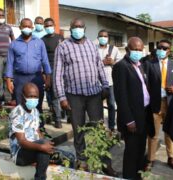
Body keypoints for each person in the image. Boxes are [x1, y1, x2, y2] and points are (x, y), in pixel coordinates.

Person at [53, 18, 110, 170]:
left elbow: (99, 66)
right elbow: (57, 74)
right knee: (78, 129)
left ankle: (103, 160)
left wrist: (105, 85)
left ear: (84, 29)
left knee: (98, 128)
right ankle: (82, 160)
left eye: (80, 26)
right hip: (74, 95)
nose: (77, 29)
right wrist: (62, 97)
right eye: (74, 26)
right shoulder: (63, 47)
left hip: (94, 94)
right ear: (70, 28)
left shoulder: (92, 45)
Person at [112, 37, 155, 179]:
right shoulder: (121, 67)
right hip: (132, 117)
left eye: (140, 49)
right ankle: (129, 176)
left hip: (143, 114)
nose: (138, 52)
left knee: (140, 149)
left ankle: (138, 175)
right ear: (127, 50)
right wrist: (129, 120)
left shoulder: (140, 65)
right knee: (131, 151)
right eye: (134, 49)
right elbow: (121, 97)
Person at [144, 39, 173, 170]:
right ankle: (150, 159)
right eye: (160, 47)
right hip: (155, 103)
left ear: (169, 51)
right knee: (153, 133)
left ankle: (171, 157)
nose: (162, 50)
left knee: (170, 133)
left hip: (170, 103)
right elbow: (145, 83)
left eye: (165, 48)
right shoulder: (149, 64)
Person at [9, 83, 54, 180]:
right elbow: (22, 141)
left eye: (35, 97)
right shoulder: (18, 113)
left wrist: (47, 144)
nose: (33, 99)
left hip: (33, 148)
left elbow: (37, 132)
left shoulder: (35, 111)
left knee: (62, 154)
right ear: (22, 97)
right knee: (43, 149)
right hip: (19, 154)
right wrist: (42, 146)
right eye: (30, 96)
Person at [5, 18, 51, 113]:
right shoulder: (14, 44)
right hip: (20, 78)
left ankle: (39, 126)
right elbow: (9, 63)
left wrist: (48, 78)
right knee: (20, 104)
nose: (27, 28)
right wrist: (8, 81)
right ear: (20, 27)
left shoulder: (39, 42)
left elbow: (45, 61)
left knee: (37, 104)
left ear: (32, 27)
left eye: (29, 26)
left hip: (36, 77)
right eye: (25, 26)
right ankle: (21, 127)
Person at [97, 29, 122, 131]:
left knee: (111, 104)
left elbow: (120, 64)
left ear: (108, 38)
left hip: (111, 81)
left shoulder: (114, 49)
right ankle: (100, 126)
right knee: (98, 105)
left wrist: (112, 62)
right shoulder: (93, 49)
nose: (103, 38)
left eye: (105, 36)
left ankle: (111, 126)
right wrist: (101, 62)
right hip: (97, 82)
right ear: (98, 37)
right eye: (101, 36)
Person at [42, 18, 64, 128]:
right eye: (46, 26)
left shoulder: (60, 38)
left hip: (62, 68)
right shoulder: (42, 40)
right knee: (52, 94)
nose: (49, 27)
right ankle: (57, 119)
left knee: (62, 94)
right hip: (49, 70)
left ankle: (64, 116)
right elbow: (42, 58)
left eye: (50, 25)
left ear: (54, 25)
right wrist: (46, 74)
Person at [0, 8, 15, 109]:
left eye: (2, 15)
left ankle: (8, 99)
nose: (1, 17)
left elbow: (13, 40)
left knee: (7, 78)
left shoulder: (8, 27)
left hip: (8, 56)